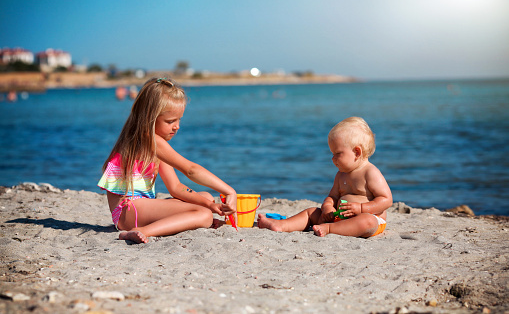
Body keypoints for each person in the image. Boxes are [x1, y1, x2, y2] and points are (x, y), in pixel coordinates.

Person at [98, 77, 237, 243]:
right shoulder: (149, 139)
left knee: (206, 197)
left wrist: (209, 204)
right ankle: (142, 230)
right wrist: (229, 191)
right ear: (150, 117)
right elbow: (190, 170)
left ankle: (181, 222)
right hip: (127, 212)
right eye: (170, 121)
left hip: (139, 209)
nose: (177, 126)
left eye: (179, 120)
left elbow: (176, 187)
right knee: (205, 214)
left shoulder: (154, 142)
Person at [258, 116, 392, 238]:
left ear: (357, 152)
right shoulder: (341, 175)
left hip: (369, 218)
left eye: (337, 153)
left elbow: (386, 200)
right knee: (311, 212)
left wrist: (361, 209)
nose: (333, 158)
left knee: (366, 222)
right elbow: (332, 196)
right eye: (332, 153)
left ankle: (329, 228)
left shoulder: (370, 172)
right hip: (340, 218)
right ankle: (282, 225)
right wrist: (328, 207)